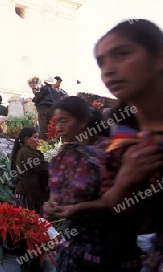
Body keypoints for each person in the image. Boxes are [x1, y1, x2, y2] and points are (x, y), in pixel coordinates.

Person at [48, 19, 163, 272]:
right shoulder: (123, 135)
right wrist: (127, 181)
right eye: (101, 62)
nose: (108, 70)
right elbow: (121, 211)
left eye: (122, 54)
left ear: (160, 56)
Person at [42, 96, 141, 271]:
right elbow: (55, 193)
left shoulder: (110, 152)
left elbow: (123, 201)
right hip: (73, 245)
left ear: (83, 121)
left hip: (109, 247)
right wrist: (50, 205)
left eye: (64, 121)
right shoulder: (64, 154)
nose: (59, 128)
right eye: (57, 122)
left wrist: (81, 208)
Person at [11, 127, 48, 215]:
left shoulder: (27, 150)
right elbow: (42, 167)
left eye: (37, 137)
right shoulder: (26, 152)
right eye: (35, 137)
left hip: (28, 193)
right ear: (26, 139)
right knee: (30, 222)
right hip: (27, 194)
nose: (37, 140)